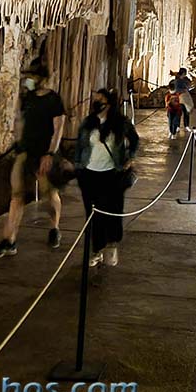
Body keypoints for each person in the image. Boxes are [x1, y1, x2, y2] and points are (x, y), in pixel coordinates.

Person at [0, 64, 66, 259]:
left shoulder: (53, 100)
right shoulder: (28, 98)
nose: (28, 80)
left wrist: (50, 153)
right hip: (25, 153)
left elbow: (58, 128)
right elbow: (21, 121)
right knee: (17, 196)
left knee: (51, 194)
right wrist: (16, 140)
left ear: (41, 78)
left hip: (44, 153)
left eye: (31, 76)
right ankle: (9, 240)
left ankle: (55, 228)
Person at [71, 88, 139, 267]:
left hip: (111, 174)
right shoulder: (88, 122)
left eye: (100, 100)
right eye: (95, 100)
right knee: (92, 214)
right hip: (89, 174)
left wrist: (130, 158)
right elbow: (80, 144)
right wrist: (77, 165)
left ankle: (111, 243)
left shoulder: (120, 123)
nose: (96, 103)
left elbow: (134, 139)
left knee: (111, 210)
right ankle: (96, 249)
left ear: (109, 104)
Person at [171, 67, 194, 132]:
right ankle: (177, 126)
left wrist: (188, 87)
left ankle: (186, 125)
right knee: (179, 112)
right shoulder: (177, 81)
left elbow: (188, 86)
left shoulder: (185, 80)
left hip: (186, 97)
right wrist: (183, 90)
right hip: (180, 97)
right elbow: (177, 89)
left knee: (186, 112)